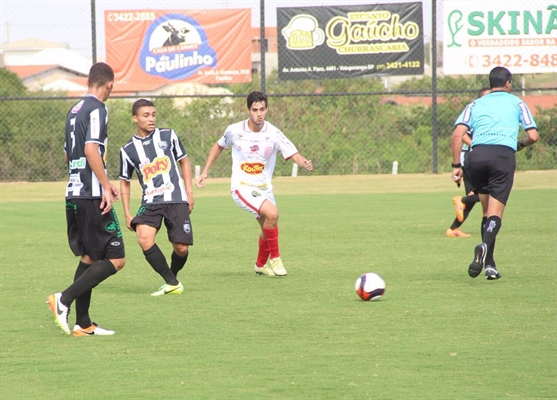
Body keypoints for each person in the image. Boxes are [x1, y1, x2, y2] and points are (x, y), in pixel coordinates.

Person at [196, 91, 313, 277]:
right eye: (255, 110)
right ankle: (276, 259)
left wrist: (303, 161)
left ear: (267, 109)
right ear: (248, 110)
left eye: (262, 109)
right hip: (242, 186)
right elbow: (219, 146)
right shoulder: (235, 130)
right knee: (273, 214)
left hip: (264, 189)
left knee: (268, 227)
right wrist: (205, 171)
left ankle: (260, 265)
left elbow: (292, 152)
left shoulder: (273, 133)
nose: (259, 114)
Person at [47, 62, 126, 336]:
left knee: (90, 257)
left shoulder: (73, 111)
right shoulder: (98, 109)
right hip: (91, 194)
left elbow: (69, 155)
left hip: (74, 192)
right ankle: (63, 299)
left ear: (87, 82)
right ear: (109, 85)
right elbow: (91, 149)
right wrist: (106, 185)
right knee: (116, 258)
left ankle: (83, 324)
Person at [451, 66, 539, 280]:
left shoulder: (475, 104)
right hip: (502, 157)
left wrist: (456, 166)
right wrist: (520, 144)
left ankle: (490, 265)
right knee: (495, 214)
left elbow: (456, 135)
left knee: (485, 211)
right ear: (508, 83)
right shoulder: (517, 102)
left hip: (476, 156)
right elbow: (534, 136)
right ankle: (484, 247)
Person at [119, 99, 194, 296]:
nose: (151, 119)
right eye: (146, 115)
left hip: (176, 198)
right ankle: (171, 282)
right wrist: (127, 212)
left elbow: (184, 162)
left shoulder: (168, 136)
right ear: (135, 118)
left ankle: (173, 277)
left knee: (181, 248)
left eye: (153, 114)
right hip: (150, 201)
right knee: (144, 238)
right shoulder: (127, 150)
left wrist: (189, 192)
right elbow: (124, 181)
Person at [446, 87, 491, 238]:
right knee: (486, 194)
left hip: (472, 157)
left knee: (474, 196)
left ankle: (453, 229)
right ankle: (462, 200)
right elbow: (461, 133)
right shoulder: (476, 111)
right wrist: (474, 145)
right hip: (471, 157)